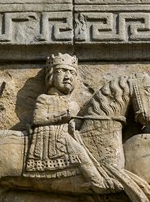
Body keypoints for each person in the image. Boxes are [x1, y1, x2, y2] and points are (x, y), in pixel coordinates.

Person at [24, 53, 106, 191]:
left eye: (72, 73)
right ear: (51, 76)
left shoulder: (72, 103)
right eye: (61, 71)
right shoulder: (44, 98)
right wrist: (61, 117)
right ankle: (97, 181)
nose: (68, 76)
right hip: (48, 135)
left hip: (64, 134)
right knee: (79, 152)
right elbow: (37, 119)